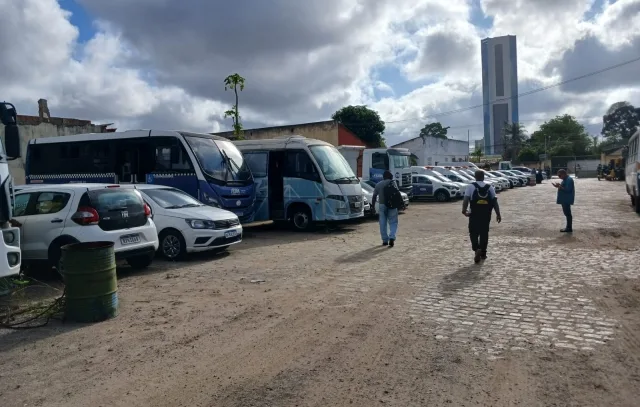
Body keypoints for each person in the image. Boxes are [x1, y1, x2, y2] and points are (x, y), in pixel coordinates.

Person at [462, 170, 501, 263]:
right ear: (483, 177)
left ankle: (476, 249)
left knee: (473, 232)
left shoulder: (470, 186)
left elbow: (466, 199)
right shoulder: (490, 187)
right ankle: (483, 253)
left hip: (474, 214)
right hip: (486, 214)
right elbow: (495, 202)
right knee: (484, 233)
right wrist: (498, 214)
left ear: (475, 177)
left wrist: (464, 210)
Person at [371, 170, 402, 247]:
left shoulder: (378, 184)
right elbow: (397, 194)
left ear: (383, 176)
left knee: (382, 223)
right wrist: (401, 204)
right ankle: (392, 237)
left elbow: (374, 196)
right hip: (392, 205)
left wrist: (373, 207)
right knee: (393, 222)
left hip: (382, 205)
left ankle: (385, 240)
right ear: (389, 176)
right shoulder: (393, 183)